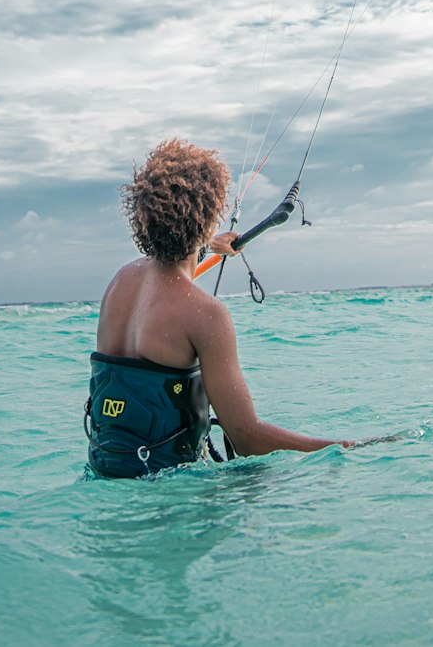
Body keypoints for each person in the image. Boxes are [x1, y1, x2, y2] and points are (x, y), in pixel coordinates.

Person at [85, 137, 348, 477]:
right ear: (207, 217)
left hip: (105, 469)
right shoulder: (206, 315)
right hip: (169, 495)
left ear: (144, 214)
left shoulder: (119, 282)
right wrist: (344, 448)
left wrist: (209, 246)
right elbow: (246, 437)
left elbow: (167, 271)